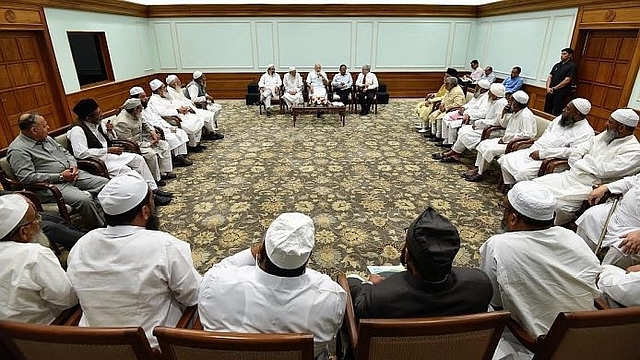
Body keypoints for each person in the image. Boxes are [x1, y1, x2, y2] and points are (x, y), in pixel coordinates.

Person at [67, 171, 202, 348]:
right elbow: (193, 296)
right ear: (145, 212)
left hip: (97, 345)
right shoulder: (164, 245)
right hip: (153, 346)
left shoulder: (82, 244)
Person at [198, 213, 346, 360]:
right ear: (308, 258)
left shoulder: (215, 284)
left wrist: (251, 253)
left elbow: (219, 268)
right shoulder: (331, 297)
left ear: (261, 252)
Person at [480, 181, 601, 360]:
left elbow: (494, 301)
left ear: (513, 218)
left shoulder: (499, 245)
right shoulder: (570, 236)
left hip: (537, 345)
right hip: (583, 336)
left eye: (503, 208)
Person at [348, 207, 492, 319]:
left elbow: (359, 306)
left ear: (407, 255)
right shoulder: (480, 285)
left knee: (350, 281)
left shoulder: (380, 297)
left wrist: (368, 284)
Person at [533, 108, 640, 225]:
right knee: (534, 185)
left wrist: (583, 160)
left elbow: (603, 171)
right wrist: (586, 162)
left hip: (589, 187)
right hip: (570, 176)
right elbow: (577, 152)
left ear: (621, 128)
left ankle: (538, 229)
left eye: (610, 122)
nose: (606, 124)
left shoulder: (634, 150)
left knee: (555, 205)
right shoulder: (606, 135)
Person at [8, 113, 108, 229]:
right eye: (45, 126)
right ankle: (102, 227)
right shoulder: (18, 150)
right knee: (84, 200)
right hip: (52, 185)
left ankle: (111, 216)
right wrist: (60, 176)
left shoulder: (46, 138)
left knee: (105, 183)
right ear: (34, 130)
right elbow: (27, 177)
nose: (48, 127)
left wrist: (73, 165)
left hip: (73, 174)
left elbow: (65, 152)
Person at [68, 99, 172, 206]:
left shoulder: (97, 123)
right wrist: (107, 150)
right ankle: (148, 197)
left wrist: (109, 131)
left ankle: (153, 190)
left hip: (107, 155)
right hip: (96, 162)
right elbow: (80, 153)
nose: (101, 115)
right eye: (98, 114)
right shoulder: (77, 130)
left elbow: (111, 139)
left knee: (138, 159)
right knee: (126, 170)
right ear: (88, 118)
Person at [0, 194, 77, 324]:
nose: (39, 223)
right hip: (46, 331)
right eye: (35, 219)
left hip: (9, 338)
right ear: (23, 232)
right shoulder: (35, 255)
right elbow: (69, 300)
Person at [499, 98, 594, 186]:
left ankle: (520, 194)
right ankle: (511, 187)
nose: (564, 110)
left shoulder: (586, 132)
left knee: (522, 172)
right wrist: (538, 146)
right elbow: (547, 132)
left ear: (577, 114)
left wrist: (543, 154)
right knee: (505, 159)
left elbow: (572, 152)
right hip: (535, 149)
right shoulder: (561, 118)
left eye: (568, 109)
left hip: (549, 160)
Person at [462, 90, 537, 182]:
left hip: (515, 145)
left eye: (510, 101)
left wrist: (506, 139)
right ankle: (479, 170)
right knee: (483, 144)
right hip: (506, 141)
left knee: (489, 149)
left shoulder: (526, 115)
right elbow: (504, 124)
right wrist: (504, 113)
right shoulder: (515, 112)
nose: (508, 103)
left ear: (516, 104)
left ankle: (480, 173)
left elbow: (527, 135)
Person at [576, 173, 640, 267]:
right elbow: (633, 180)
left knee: (624, 249)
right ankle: (579, 263)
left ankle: (600, 277)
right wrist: (606, 187)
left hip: (635, 230)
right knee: (590, 216)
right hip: (619, 211)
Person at [434, 83, 508, 163]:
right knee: (464, 130)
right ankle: (455, 153)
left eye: (490, 92)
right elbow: (486, 113)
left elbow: (497, 122)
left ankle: (454, 153)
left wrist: (479, 123)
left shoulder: (501, 103)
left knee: (466, 133)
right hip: (485, 125)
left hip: (493, 130)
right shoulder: (494, 101)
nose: (488, 94)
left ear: (495, 95)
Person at [113, 98, 177, 185]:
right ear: (135, 109)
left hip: (142, 139)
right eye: (140, 108)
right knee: (151, 154)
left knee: (164, 145)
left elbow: (144, 123)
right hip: (132, 146)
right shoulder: (122, 122)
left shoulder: (136, 113)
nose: (142, 109)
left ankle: (164, 172)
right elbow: (129, 141)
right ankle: (155, 179)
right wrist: (149, 143)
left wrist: (152, 132)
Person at [129, 86, 192, 167]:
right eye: (142, 97)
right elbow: (147, 125)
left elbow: (158, 118)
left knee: (180, 132)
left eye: (145, 96)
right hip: (153, 131)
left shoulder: (149, 106)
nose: (146, 98)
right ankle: (176, 158)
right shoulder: (136, 111)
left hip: (161, 126)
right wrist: (159, 130)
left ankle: (180, 156)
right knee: (172, 137)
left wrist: (168, 127)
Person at [146, 79, 205, 152]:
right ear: (159, 90)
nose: (166, 89)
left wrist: (182, 107)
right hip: (171, 118)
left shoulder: (164, 95)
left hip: (179, 113)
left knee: (198, 118)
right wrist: (177, 111)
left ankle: (196, 143)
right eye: (164, 87)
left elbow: (174, 103)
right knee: (191, 124)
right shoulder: (154, 100)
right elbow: (162, 112)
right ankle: (193, 145)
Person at [166, 74, 224, 140]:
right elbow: (176, 104)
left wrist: (191, 103)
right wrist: (188, 107)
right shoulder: (170, 93)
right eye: (178, 81)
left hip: (191, 107)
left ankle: (210, 133)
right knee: (204, 117)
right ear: (174, 84)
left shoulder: (177, 89)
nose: (180, 82)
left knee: (209, 114)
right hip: (184, 111)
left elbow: (185, 99)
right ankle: (208, 134)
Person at [439, 79, 491, 145]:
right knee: (446, 116)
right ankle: (445, 139)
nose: (475, 88)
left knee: (452, 124)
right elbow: (469, 104)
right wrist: (463, 107)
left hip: (471, 117)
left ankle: (451, 143)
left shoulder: (486, 98)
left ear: (483, 89)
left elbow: (482, 113)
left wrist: (467, 113)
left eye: (477, 87)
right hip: (464, 112)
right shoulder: (477, 94)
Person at [425, 76, 465, 141]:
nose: (445, 86)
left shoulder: (458, 92)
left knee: (439, 118)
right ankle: (433, 133)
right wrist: (442, 104)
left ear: (451, 84)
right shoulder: (449, 89)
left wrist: (445, 108)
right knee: (432, 115)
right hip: (445, 108)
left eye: (446, 84)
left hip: (453, 110)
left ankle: (439, 136)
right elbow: (444, 98)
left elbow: (458, 104)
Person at [544, 48, 576, 116]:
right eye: (561, 53)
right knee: (547, 109)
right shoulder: (557, 65)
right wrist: (548, 88)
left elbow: (567, 80)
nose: (562, 55)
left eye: (564, 54)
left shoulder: (572, 66)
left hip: (561, 92)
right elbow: (550, 76)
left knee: (557, 111)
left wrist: (555, 88)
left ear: (570, 55)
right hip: (550, 91)